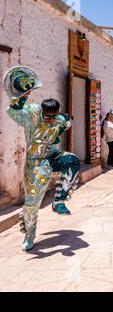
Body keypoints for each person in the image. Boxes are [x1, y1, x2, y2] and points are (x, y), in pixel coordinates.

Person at [4, 66, 81, 251]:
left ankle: (59, 200)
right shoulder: (31, 116)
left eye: (53, 116)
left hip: (53, 156)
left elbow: (68, 120)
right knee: (33, 201)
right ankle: (30, 234)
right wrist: (22, 95)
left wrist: (65, 119)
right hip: (36, 161)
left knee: (72, 161)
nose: (50, 119)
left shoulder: (59, 120)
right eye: (48, 116)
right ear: (42, 113)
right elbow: (12, 109)